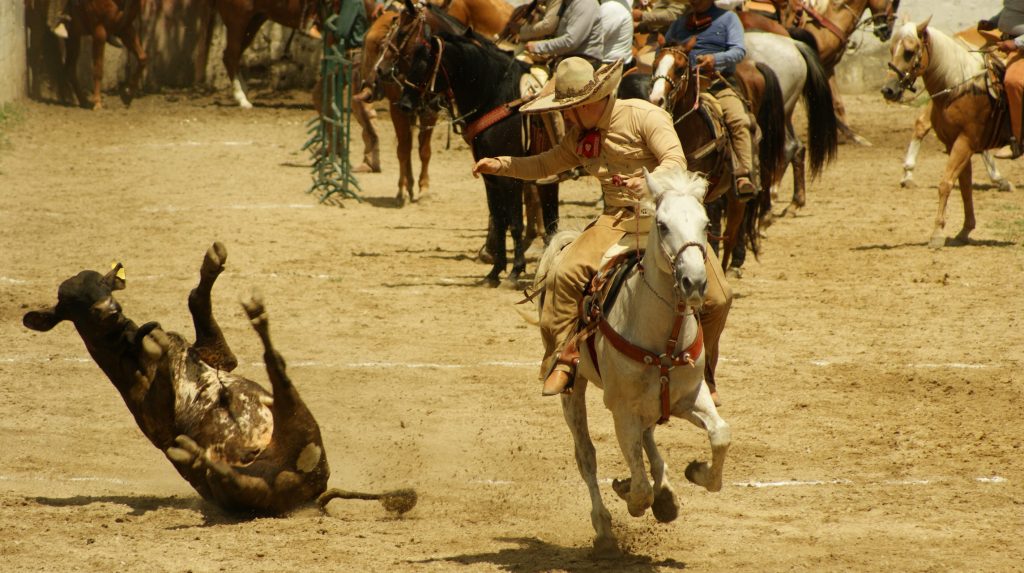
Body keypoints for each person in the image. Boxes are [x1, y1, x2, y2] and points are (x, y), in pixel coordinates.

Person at [473, 57, 732, 403]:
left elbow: (675, 160)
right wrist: (501, 165)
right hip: (614, 220)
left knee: (719, 298)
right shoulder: (579, 136)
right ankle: (564, 358)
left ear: (591, 102)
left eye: (570, 108)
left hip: (664, 218)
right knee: (562, 276)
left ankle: (706, 370)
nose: (565, 116)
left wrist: (647, 182)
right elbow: (545, 163)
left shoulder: (645, 116)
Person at [665, 0, 757, 199]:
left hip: (717, 85)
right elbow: (665, 48)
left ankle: (743, 174)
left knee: (738, 120)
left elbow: (739, 50)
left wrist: (715, 59)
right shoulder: (680, 22)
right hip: (683, 89)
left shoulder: (728, 19)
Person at [524, 0, 605, 66]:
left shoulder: (585, 3)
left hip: (583, 65)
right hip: (570, 60)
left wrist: (537, 46)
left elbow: (570, 41)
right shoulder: (568, 3)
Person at [991, 1, 1024, 158]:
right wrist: (992, 22)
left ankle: (1017, 141)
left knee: (1013, 82)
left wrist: (1016, 43)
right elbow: (1012, 10)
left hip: (1020, 47)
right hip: (1006, 42)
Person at [600, 0, 635, 67]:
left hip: (610, 64)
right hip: (618, 61)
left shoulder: (611, 7)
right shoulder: (614, 5)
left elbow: (595, 41)